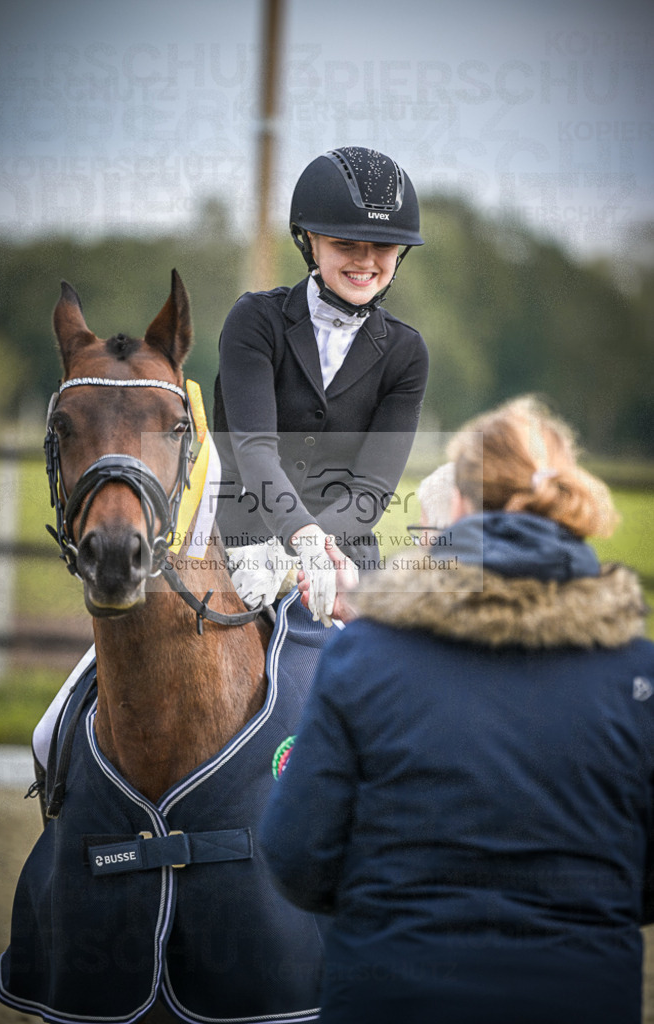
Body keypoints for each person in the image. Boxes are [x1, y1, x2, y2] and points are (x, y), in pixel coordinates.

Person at [259, 394, 654, 1024]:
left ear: (459, 506)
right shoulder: (638, 676)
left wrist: (388, 901)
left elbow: (296, 857)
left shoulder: (364, 660)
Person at [213, 146, 428, 625]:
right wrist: (297, 540)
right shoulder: (255, 321)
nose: (366, 262)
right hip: (240, 551)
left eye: (383, 248)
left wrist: (315, 552)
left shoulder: (406, 354)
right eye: (346, 244)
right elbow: (254, 451)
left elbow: (370, 489)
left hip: (345, 567)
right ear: (309, 241)